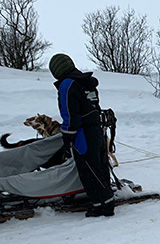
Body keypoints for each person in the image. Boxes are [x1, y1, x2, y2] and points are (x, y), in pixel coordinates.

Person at [49, 53, 115, 217]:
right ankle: (106, 200)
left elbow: (69, 114)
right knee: (100, 165)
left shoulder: (67, 84)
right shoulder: (87, 83)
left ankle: (101, 204)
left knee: (89, 169)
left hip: (82, 133)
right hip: (97, 129)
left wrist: (67, 137)